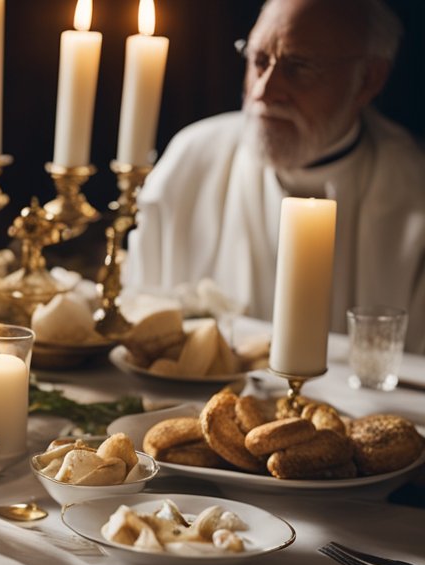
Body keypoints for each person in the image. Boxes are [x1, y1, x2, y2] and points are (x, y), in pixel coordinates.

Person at [125, 0, 425, 353]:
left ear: (369, 78)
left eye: (299, 67)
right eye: (258, 60)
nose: (263, 91)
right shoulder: (192, 159)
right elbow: (136, 319)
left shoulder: (414, 190)